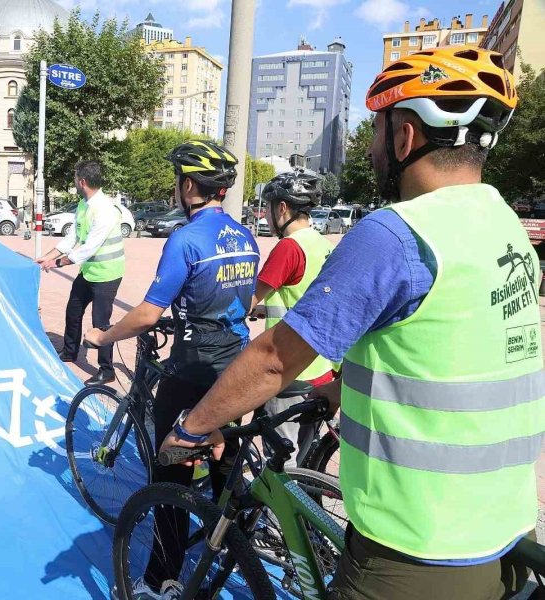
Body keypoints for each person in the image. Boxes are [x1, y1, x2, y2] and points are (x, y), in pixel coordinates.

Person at [159, 47, 542, 599]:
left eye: (376, 129)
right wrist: (340, 388)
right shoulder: (504, 224)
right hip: (506, 523)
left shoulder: (397, 233)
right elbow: (447, 341)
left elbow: (272, 358)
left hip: (417, 546)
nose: (370, 146)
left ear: (405, 137)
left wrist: (192, 427)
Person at [85, 140, 259, 600]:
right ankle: (228, 543)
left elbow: (146, 313)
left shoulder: (186, 238)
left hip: (191, 367)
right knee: (223, 458)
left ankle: (163, 577)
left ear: (188, 185)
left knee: (170, 472)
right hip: (235, 362)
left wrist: (103, 337)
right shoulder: (243, 234)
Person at [250, 171, 336, 467]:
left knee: (280, 464)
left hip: (290, 372)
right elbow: (303, 296)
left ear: (282, 208)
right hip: (322, 370)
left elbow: (249, 299)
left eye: (269, 208)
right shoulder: (323, 244)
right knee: (305, 459)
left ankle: (276, 516)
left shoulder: (289, 247)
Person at [36, 160, 125, 386]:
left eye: (76, 178)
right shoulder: (83, 205)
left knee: (100, 323)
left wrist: (57, 263)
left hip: (107, 274)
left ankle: (106, 370)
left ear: (82, 182)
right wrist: (48, 255)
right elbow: (73, 238)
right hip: (88, 272)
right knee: (73, 310)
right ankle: (69, 351)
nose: (74, 182)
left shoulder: (105, 210)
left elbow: (88, 248)